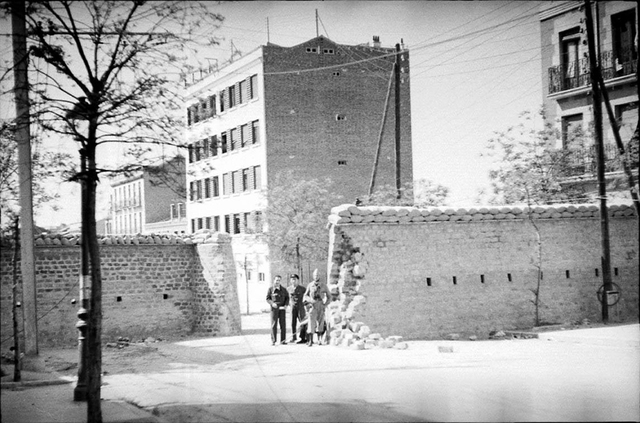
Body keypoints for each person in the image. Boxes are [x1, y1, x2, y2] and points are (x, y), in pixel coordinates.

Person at [303, 269, 330, 347]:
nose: (316, 277)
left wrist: (325, 304)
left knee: (320, 322)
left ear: (319, 276)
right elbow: (305, 295)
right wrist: (309, 301)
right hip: (313, 305)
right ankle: (310, 340)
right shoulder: (310, 285)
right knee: (311, 322)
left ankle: (319, 340)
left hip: (320, 304)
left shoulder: (323, 285)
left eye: (317, 275)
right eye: (315, 275)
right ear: (313, 276)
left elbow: (329, 296)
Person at [266, 275, 289, 345]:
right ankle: (273, 340)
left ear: (280, 281)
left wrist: (286, 305)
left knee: (283, 324)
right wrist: (272, 303)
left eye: (279, 280)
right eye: (276, 280)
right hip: (274, 309)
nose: (277, 282)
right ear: (274, 280)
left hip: (282, 309)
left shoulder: (284, 290)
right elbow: (267, 298)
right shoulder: (270, 289)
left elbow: (287, 298)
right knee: (274, 325)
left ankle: (283, 340)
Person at [287, 274, 307, 344]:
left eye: (295, 279)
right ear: (290, 280)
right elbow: (286, 299)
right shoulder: (288, 289)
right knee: (293, 323)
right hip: (292, 308)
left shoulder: (302, 289)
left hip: (300, 307)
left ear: (298, 280)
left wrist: (307, 305)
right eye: (292, 279)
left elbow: (307, 297)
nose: (293, 281)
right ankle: (293, 337)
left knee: (302, 322)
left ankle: (303, 337)